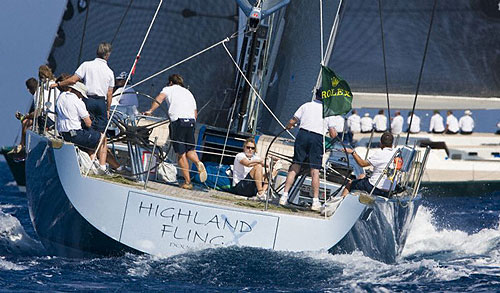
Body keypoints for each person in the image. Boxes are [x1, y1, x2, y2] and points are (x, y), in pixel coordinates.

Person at [278, 90, 339, 212]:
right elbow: (333, 134)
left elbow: (292, 121)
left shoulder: (305, 106)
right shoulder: (328, 111)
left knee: (295, 165)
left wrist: (288, 127)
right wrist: (335, 134)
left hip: (302, 135)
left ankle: (284, 196)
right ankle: (315, 201)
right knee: (315, 170)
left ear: (316, 95)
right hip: (316, 138)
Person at [144, 74, 207, 189]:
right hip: (191, 122)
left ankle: (188, 183)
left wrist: (150, 110)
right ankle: (198, 162)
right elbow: (195, 112)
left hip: (179, 122)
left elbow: (159, 99)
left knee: (181, 154)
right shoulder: (188, 93)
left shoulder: (168, 89)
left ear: (171, 82)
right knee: (190, 150)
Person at [53, 42, 114, 134]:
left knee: (86, 127)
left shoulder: (86, 65)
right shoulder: (110, 72)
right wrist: (108, 110)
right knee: (101, 132)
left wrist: (58, 84)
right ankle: (98, 147)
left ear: (97, 52)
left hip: (88, 100)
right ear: (108, 55)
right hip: (101, 103)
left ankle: (85, 145)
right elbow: (109, 93)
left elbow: (73, 80)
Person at [56, 81, 109, 175]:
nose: (81, 97)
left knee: (91, 138)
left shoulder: (61, 96)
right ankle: (103, 167)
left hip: (63, 133)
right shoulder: (78, 102)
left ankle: (92, 163)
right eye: (81, 95)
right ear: (78, 92)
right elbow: (88, 123)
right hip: (75, 134)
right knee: (102, 137)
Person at [341, 132, 396, 198]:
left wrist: (353, 153)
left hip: (375, 188)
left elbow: (362, 164)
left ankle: (339, 203)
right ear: (392, 143)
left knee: (350, 183)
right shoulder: (397, 154)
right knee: (362, 176)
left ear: (380, 142)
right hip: (390, 189)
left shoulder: (380, 153)